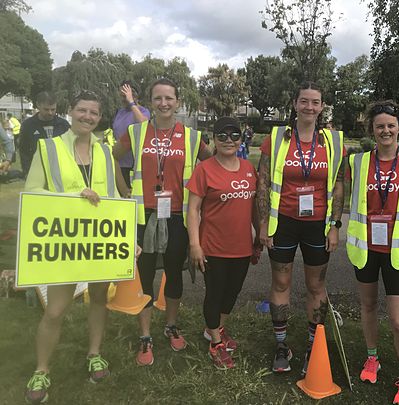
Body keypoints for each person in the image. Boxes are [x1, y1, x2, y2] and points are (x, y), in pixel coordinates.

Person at [24, 91, 119, 404]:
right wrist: (76, 196)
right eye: (82, 111)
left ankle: (94, 354)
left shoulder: (105, 152)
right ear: (70, 111)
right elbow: (34, 193)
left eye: (94, 113)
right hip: (64, 242)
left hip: (100, 241)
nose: (88, 117)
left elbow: (115, 198)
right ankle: (41, 368)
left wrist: (127, 239)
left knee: (99, 299)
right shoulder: (48, 148)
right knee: (55, 310)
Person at [113, 77, 212, 367]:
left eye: (169, 98)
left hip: (177, 216)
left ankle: (170, 325)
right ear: (150, 101)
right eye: (158, 98)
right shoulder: (136, 131)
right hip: (144, 216)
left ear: (178, 102)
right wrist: (123, 190)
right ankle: (145, 335)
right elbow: (112, 158)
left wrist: (202, 195)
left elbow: (211, 163)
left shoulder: (191, 136)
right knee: (144, 275)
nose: (164, 103)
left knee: (173, 272)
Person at [257, 81, 345, 375]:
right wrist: (262, 223)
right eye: (304, 101)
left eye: (315, 102)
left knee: (316, 286)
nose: (309, 107)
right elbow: (263, 182)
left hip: (318, 225)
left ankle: (313, 345)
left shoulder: (333, 141)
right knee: (280, 283)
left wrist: (335, 225)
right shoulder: (276, 138)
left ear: (322, 107)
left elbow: (339, 184)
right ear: (295, 104)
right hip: (283, 223)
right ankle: (281, 345)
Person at [347, 100, 399, 405]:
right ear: (372, 128)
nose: (385, 130)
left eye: (391, 125)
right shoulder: (357, 162)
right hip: (366, 247)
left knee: (398, 321)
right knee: (368, 307)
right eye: (380, 125)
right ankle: (373, 359)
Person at [187, 116, 260, 369]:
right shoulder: (204, 169)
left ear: (241, 139)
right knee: (215, 293)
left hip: (241, 247)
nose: (229, 140)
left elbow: (253, 208)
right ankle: (215, 343)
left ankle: (215, 328)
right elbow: (193, 209)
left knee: (232, 293)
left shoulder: (249, 168)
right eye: (222, 136)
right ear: (214, 140)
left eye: (234, 135)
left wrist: (258, 237)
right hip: (213, 247)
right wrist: (195, 245)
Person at [19, 92, 71, 177]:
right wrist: (27, 171)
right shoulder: (28, 126)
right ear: (38, 105)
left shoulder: (64, 125)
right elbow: (23, 151)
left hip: (62, 171)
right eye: (46, 109)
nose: (50, 113)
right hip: (37, 172)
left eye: (53, 109)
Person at [112, 80, 151, 188]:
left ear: (134, 95)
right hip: (119, 163)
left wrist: (131, 102)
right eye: (121, 95)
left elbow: (143, 124)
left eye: (124, 96)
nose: (122, 99)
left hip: (134, 165)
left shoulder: (143, 111)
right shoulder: (120, 112)